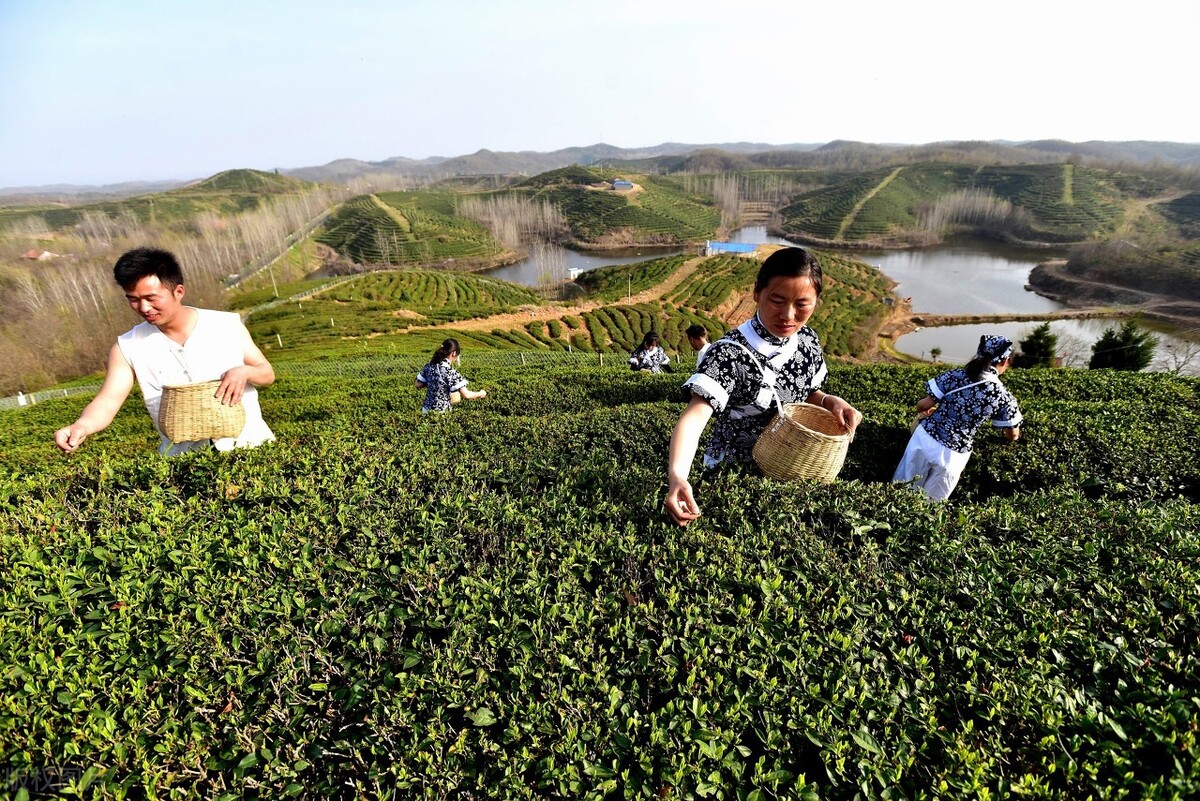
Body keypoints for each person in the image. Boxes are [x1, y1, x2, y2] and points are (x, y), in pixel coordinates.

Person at [665, 247, 862, 526]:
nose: (788, 315)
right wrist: (677, 476)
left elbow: (808, 393)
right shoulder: (728, 354)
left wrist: (831, 402)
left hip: (794, 468)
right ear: (757, 293)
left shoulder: (807, 342)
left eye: (802, 304)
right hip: (736, 477)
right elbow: (695, 417)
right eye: (777, 300)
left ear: (817, 301)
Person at [53, 247, 275, 456]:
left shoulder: (225, 325)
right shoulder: (128, 347)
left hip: (251, 447)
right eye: (133, 300)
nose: (144, 308)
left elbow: (266, 373)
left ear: (178, 291)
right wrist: (81, 426)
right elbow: (109, 400)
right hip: (184, 462)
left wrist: (244, 372)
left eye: (151, 298)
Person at [892, 334, 1023, 501]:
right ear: (1004, 361)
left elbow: (923, 405)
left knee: (900, 493)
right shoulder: (1003, 396)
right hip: (953, 454)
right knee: (929, 504)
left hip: (925, 439)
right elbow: (1012, 433)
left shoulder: (955, 375)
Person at [416, 338, 487, 412]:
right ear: (454, 353)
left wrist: (434, 383)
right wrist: (481, 393)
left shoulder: (429, 366)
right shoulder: (450, 372)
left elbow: (417, 384)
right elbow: (467, 395)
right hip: (442, 412)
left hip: (426, 410)